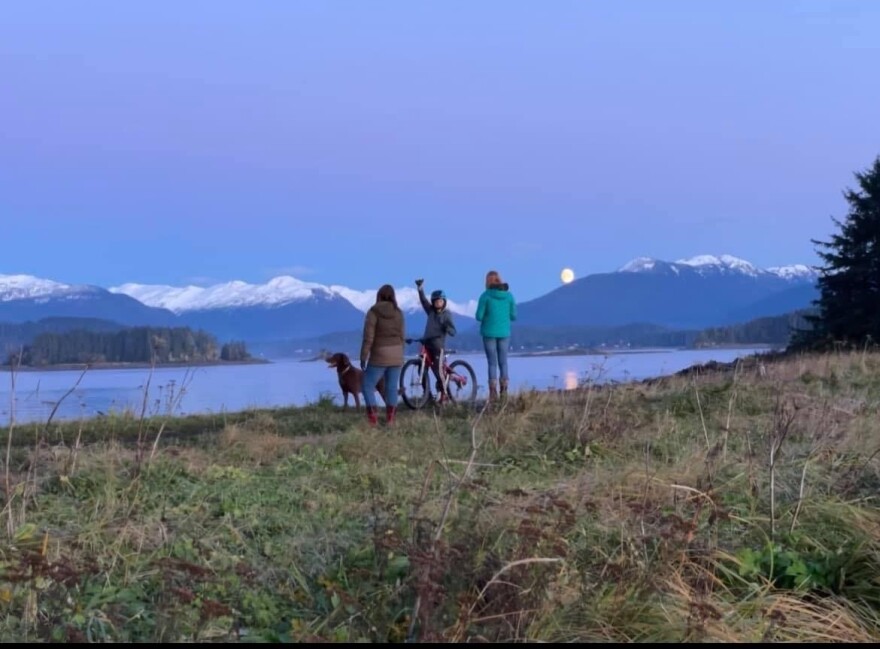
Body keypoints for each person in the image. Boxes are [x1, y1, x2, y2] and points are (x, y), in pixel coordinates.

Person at [360, 284, 405, 425]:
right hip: (397, 353)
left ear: (378, 296)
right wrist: (399, 352)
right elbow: (402, 336)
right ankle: (390, 420)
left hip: (380, 354)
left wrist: (363, 357)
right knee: (391, 387)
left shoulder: (373, 312)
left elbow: (368, 337)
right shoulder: (399, 312)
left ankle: (373, 419)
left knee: (367, 385)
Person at [475, 270, 517, 402]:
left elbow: (479, 316)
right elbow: (513, 316)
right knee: (503, 362)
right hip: (504, 333)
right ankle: (504, 391)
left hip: (488, 333)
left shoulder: (485, 296)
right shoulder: (509, 296)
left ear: (487, 282)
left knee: (492, 363)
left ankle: (493, 393)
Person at [415, 278, 457, 400]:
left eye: (440, 301)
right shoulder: (431, 312)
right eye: (436, 301)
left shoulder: (447, 314)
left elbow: (453, 330)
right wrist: (420, 289)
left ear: (444, 302)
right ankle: (427, 394)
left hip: (438, 347)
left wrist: (448, 329)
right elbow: (423, 301)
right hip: (427, 345)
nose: (438, 303)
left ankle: (445, 394)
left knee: (438, 371)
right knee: (421, 369)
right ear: (433, 303)